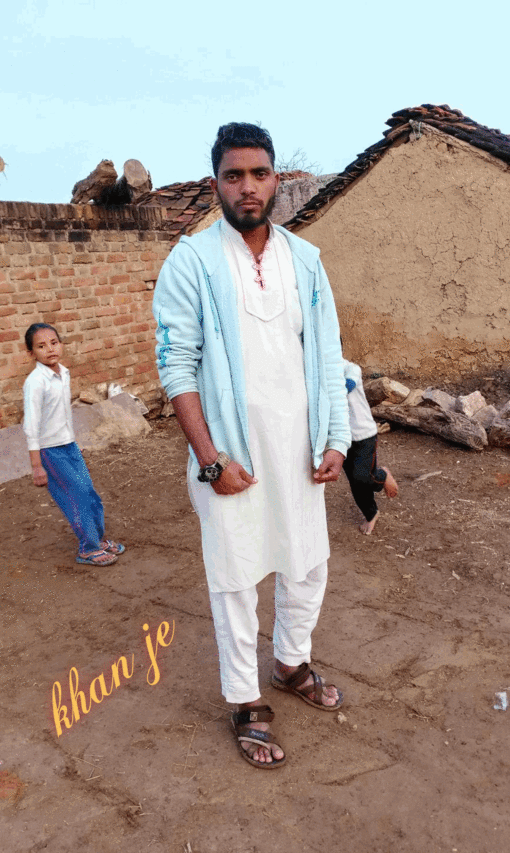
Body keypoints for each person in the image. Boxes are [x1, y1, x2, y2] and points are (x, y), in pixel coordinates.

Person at [153, 122, 351, 768]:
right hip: (230, 457)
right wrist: (210, 460)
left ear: (275, 180)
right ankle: (244, 698)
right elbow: (177, 368)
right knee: (235, 578)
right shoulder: (192, 261)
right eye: (234, 175)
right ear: (216, 183)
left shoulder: (306, 260)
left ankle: (291, 661)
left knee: (307, 563)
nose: (247, 187)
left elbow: (327, 353)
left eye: (259, 174)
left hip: (300, 451)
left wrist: (337, 438)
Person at [22, 322, 125, 567]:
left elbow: (61, 415)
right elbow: (31, 426)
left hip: (69, 446)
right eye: (41, 346)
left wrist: (73, 444)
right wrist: (37, 466)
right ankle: (88, 549)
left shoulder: (63, 373)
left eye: (54, 343)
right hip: (50, 451)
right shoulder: (36, 382)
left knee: (89, 494)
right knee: (76, 497)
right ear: (31, 353)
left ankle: (98, 540)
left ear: (61, 344)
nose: (50, 349)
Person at [342, 359, 398, 535]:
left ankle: (382, 475)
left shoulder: (351, 369)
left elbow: (347, 386)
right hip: (341, 438)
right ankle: (371, 513)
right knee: (355, 482)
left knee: (363, 477)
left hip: (363, 434)